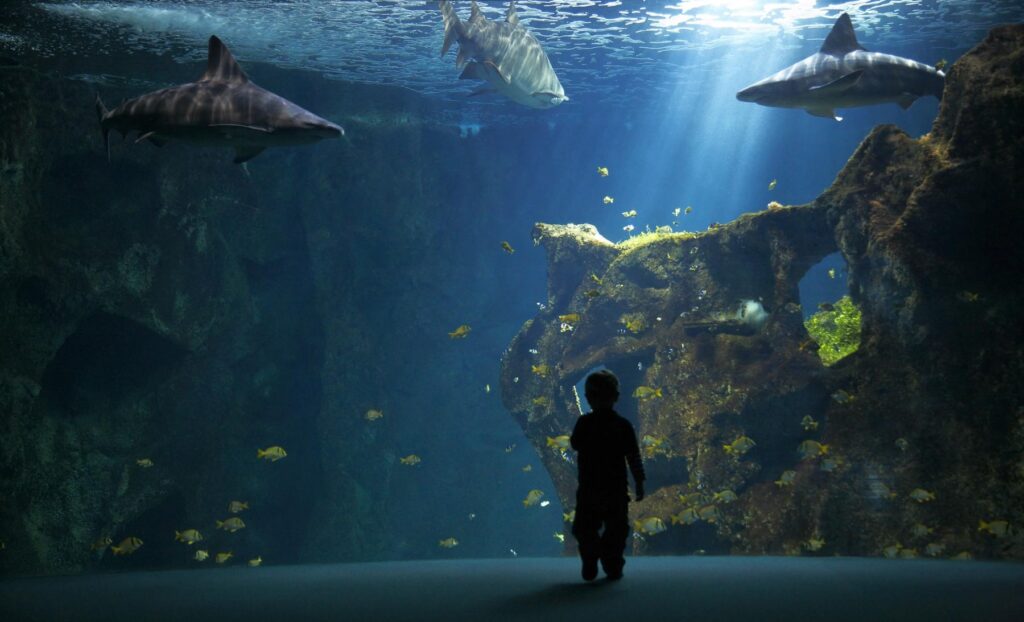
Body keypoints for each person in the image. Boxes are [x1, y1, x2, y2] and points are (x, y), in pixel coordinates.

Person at [570, 369, 645, 581]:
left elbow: (575, 444)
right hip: (615, 489)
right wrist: (639, 482)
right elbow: (634, 457)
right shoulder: (623, 425)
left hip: (589, 489)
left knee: (584, 528)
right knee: (617, 529)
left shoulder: (584, 423)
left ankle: (591, 556)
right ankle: (611, 562)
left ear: (587, 398)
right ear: (617, 397)